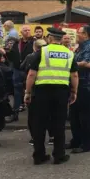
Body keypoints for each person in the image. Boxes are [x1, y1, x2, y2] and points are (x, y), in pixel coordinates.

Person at [24, 28, 79, 165]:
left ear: (49, 38)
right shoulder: (69, 53)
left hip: (42, 91)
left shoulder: (42, 51)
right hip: (61, 92)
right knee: (59, 124)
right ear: (61, 39)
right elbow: (74, 75)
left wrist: (28, 92)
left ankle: (39, 155)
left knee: (39, 124)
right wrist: (74, 92)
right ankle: (59, 155)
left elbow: (31, 74)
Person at [67, 25, 90, 154]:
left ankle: (86, 144)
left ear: (86, 35)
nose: (76, 34)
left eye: (79, 33)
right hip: (78, 85)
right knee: (74, 116)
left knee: (86, 118)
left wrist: (71, 63)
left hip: (89, 86)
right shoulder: (79, 47)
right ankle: (76, 140)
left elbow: (89, 64)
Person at [21, 39, 51, 145]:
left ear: (34, 47)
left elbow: (25, 70)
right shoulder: (50, 56)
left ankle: (35, 138)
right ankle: (51, 136)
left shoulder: (31, 57)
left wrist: (27, 92)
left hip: (34, 89)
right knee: (49, 114)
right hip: (48, 88)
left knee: (34, 116)